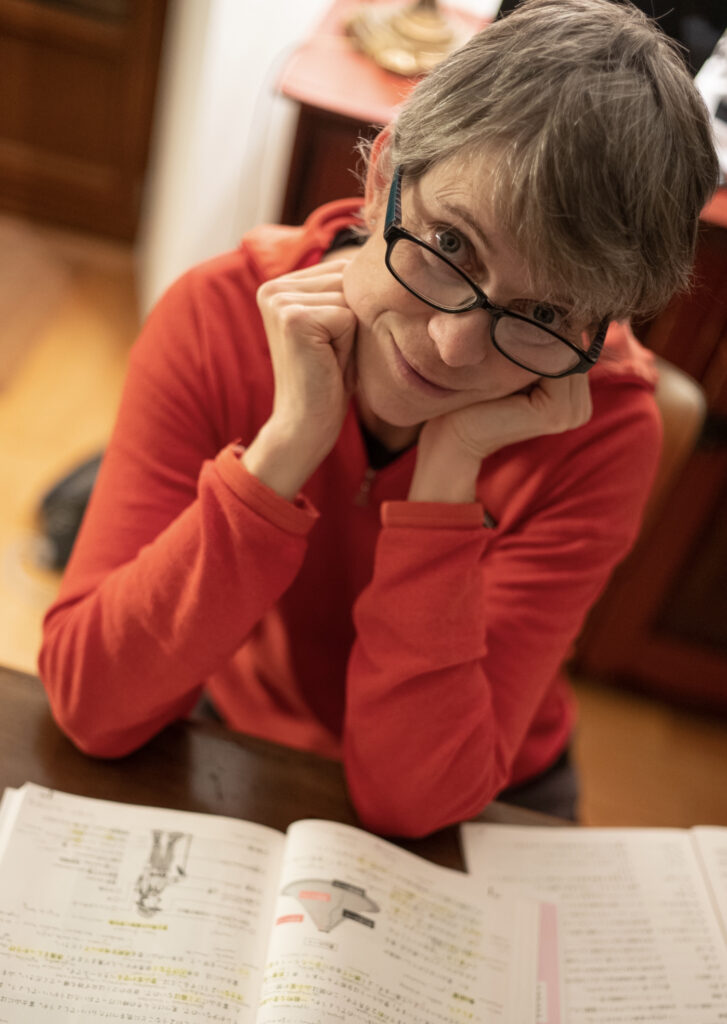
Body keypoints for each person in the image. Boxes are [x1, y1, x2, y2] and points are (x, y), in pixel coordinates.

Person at [39, 0, 718, 837]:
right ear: (385, 170)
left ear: (597, 325)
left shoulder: (604, 433)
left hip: (477, 766)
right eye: (451, 244)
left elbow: (415, 798)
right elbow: (89, 706)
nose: (453, 345)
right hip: (242, 728)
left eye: (544, 313)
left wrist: (446, 479)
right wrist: (284, 450)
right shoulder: (215, 317)